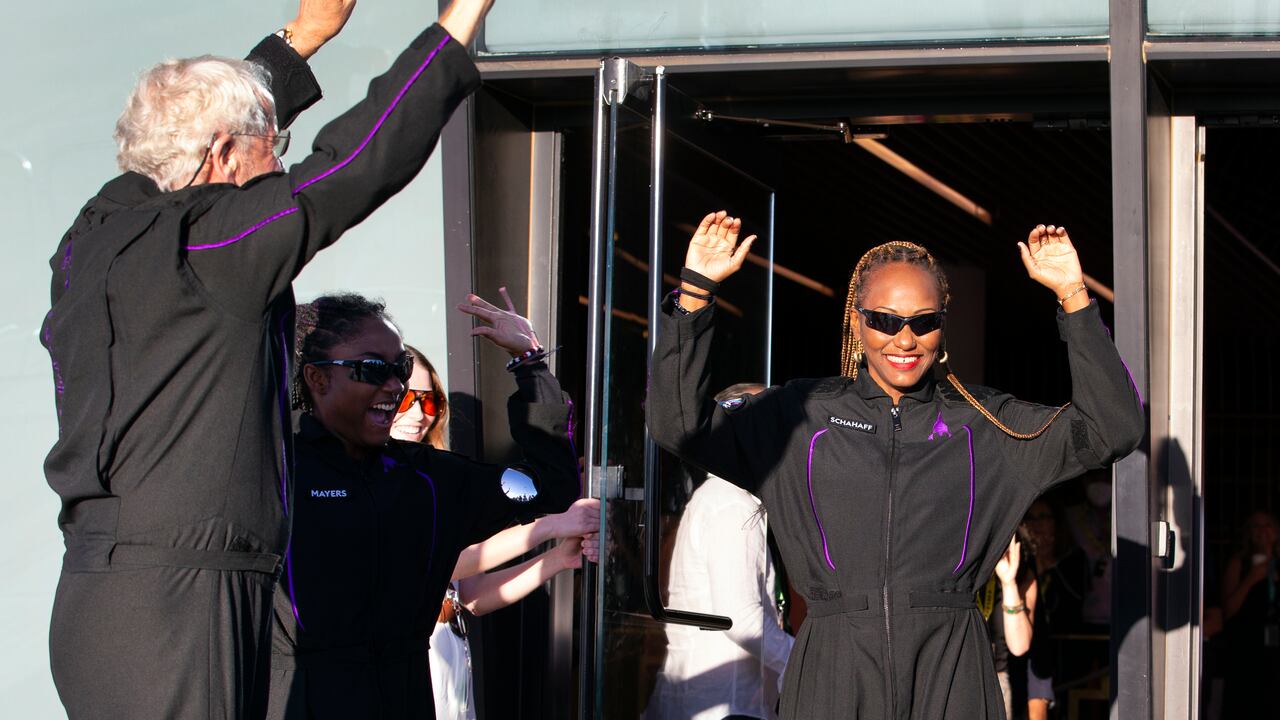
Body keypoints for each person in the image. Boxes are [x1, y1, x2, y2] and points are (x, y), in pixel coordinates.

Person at [39, 1, 432, 716]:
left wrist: (299, 43)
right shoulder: (205, 255)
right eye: (271, 149)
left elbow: (184, 146)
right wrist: (454, 32)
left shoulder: (93, 237)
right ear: (222, 156)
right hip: (179, 611)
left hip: (117, 600)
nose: (279, 164)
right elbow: (349, 169)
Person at [647, 212, 1145, 719]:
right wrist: (694, 294)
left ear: (942, 325)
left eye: (922, 322)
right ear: (857, 321)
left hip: (952, 672)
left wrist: (1073, 297)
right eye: (884, 320)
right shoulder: (800, 415)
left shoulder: (987, 425)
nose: (903, 340)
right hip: (833, 673)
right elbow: (677, 423)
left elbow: (1115, 428)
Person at [268, 290, 580, 718]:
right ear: (317, 379)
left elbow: (552, 484)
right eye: (373, 369)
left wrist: (530, 361)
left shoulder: (429, 478)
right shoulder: (270, 471)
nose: (395, 386)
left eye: (401, 369)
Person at [390, 343, 599, 720]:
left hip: (449, 655)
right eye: (405, 399)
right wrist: (551, 525)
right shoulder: (376, 480)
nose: (419, 414)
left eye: (430, 401)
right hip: (409, 664)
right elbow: (447, 562)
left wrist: (557, 559)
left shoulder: (431, 477)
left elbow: (471, 596)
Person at [646, 383, 795, 720]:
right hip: (725, 703)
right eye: (771, 425)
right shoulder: (732, 505)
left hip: (712, 698)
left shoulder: (720, 497)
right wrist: (802, 659)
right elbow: (739, 618)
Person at [1021, 497, 1090, 720]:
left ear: (1056, 522)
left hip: (1067, 652)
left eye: (1044, 517)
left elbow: (1073, 599)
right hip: (1028, 652)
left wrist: (1046, 563)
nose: (1037, 524)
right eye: (1030, 518)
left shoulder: (1073, 560)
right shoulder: (1019, 566)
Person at [1219, 510, 1280, 715]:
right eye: (1256, 526)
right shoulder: (1239, 564)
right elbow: (1228, 610)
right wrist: (1253, 577)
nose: (1262, 531)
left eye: (1267, 525)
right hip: (1246, 648)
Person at [980, 535, 1036, 720]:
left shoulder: (1021, 574)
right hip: (959, 675)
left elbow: (1019, 646)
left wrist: (1008, 583)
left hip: (998, 680)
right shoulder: (960, 569)